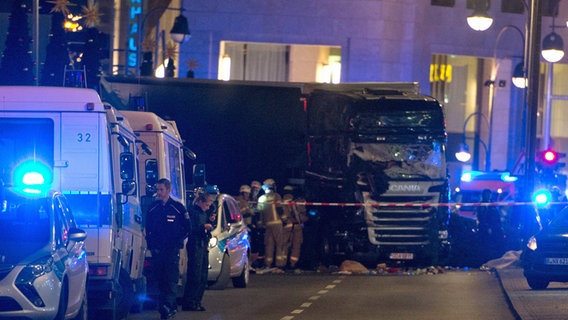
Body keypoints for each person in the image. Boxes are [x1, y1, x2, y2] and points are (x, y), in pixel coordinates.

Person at [145, 178, 190, 320]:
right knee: (159, 279)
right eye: (157, 190)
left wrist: (177, 242)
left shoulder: (177, 208)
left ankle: (169, 307)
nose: (158, 193)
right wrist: (151, 245)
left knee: (171, 280)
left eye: (161, 190)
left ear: (168, 190)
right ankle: (162, 306)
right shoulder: (153, 208)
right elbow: (147, 229)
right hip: (158, 251)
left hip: (171, 251)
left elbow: (188, 228)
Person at [182, 187, 217, 312]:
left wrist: (209, 221)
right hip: (195, 245)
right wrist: (203, 227)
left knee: (203, 275)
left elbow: (212, 211)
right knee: (195, 275)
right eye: (206, 204)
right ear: (201, 202)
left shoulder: (204, 212)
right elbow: (191, 230)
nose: (208, 207)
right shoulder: (193, 212)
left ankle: (197, 301)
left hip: (203, 245)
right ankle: (189, 302)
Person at [257, 178, 286, 272]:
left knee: (269, 244)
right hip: (277, 223)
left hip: (267, 224)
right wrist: (284, 219)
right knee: (279, 244)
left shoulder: (261, 198)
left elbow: (260, 213)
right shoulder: (276, 196)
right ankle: (279, 264)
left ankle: (268, 264)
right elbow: (279, 209)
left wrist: (261, 224)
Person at [281, 185, 309, 272]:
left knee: (284, 245)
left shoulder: (281, 201)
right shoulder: (299, 201)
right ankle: (293, 263)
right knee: (296, 245)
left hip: (286, 226)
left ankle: (283, 263)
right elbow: (303, 215)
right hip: (297, 226)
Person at [475, 188, 505, 262]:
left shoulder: (493, 204)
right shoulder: (481, 205)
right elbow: (481, 217)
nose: (488, 196)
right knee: (484, 245)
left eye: (489, 194)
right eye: (486, 194)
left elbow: (496, 216)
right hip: (484, 228)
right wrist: (486, 227)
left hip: (494, 228)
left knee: (493, 245)